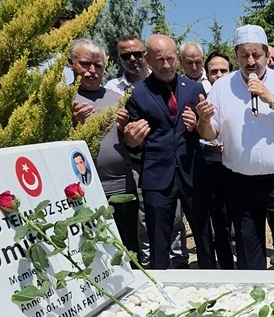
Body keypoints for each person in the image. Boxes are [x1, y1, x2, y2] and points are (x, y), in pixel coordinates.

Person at [197, 25, 274, 270]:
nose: (250, 61)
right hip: (240, 184)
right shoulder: (221, 87)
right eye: (244, 55)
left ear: (267, 54)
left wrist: (271, 99)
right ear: (236, 55)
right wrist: (203, 121)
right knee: (249, 257)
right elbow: (210, 135)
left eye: (256, 55)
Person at [117, 35, 210, 269]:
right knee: (158, 240)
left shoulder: (195, 88)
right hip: (157, 176)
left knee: (204, 235)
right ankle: (159, 283)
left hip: (193, 173)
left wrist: (198, 124)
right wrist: (131, 139)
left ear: (177, 57)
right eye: (160, 60)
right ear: (148, 59)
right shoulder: (137, 93)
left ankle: (210, 276)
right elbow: (134, 141)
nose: (166, 65)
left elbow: (205, 128)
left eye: (170, 58)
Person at [68, 38, 140, 251]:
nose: (92, 71)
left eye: (98, 65)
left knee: (129, 249)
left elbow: (131, 144)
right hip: (82, 192)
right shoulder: (63, 100)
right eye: (85, 64)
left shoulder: (118, 98)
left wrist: (127, 130)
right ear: (71, 64)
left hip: (122, 188)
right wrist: (74, 124)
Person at [200, 51, 235, 269]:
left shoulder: (240, 96)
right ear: (207, 74)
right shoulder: (200, 97)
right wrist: (208, 143)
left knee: (239, 217)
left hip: (237, 166)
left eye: (224, 70)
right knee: (219, 219)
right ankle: (225, 266)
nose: (219, 75)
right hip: (211, 164)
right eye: (214, 71)